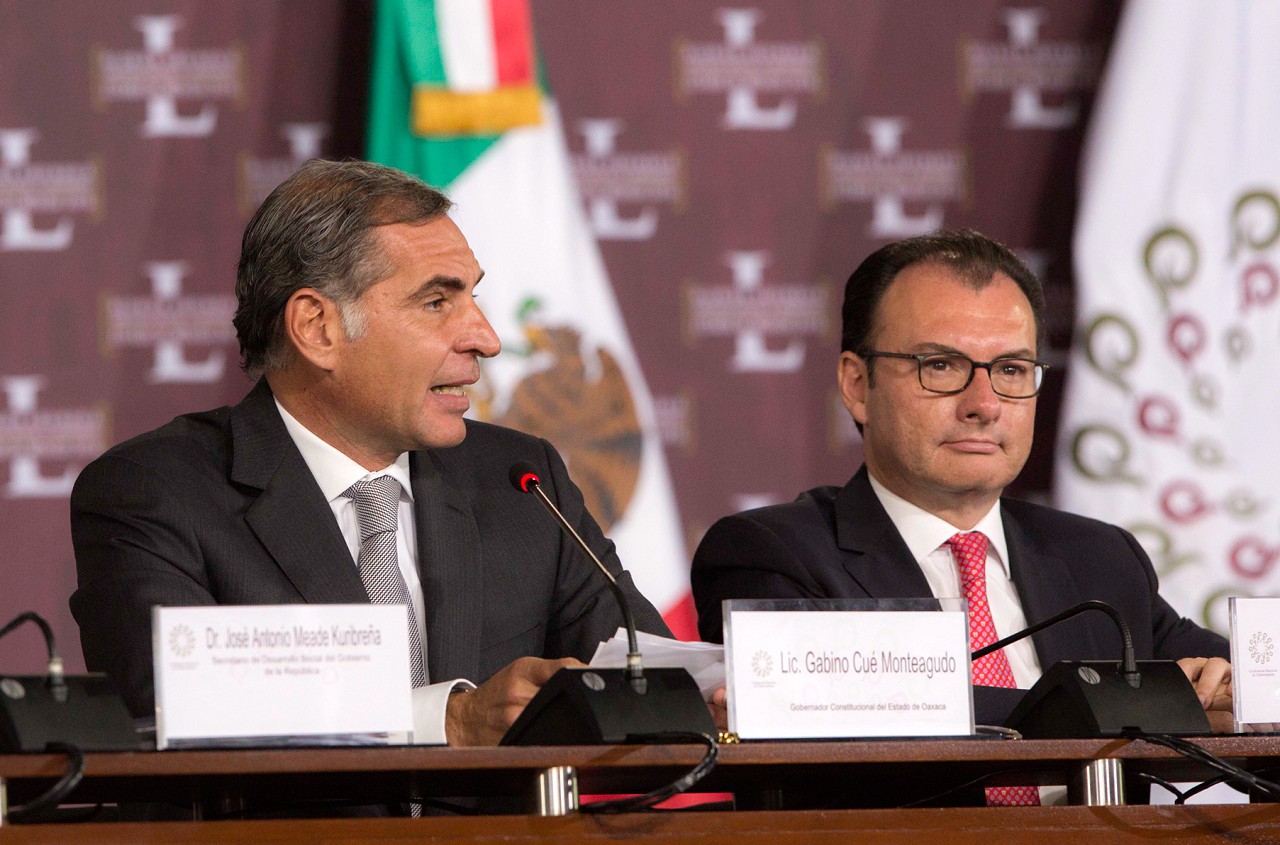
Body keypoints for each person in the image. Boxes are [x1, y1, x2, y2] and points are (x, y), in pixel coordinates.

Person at [70, 158, 672, 750]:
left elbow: (648, 679)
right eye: (436, 302)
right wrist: (447, 724)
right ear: (317, 328)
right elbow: (172, 711)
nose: (486, 339)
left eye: (473, 298)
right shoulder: (156, 493)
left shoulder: (520, 480)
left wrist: (708, 689)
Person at [692, 229, 1231, 733]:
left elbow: (1230, 676)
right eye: (941, 366)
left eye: (1011, 369)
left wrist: (1233, 687)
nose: (985, 404)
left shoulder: (1099, 558)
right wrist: (1123, 704)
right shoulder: (773, 555)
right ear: (857, 385)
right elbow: (853, 706)